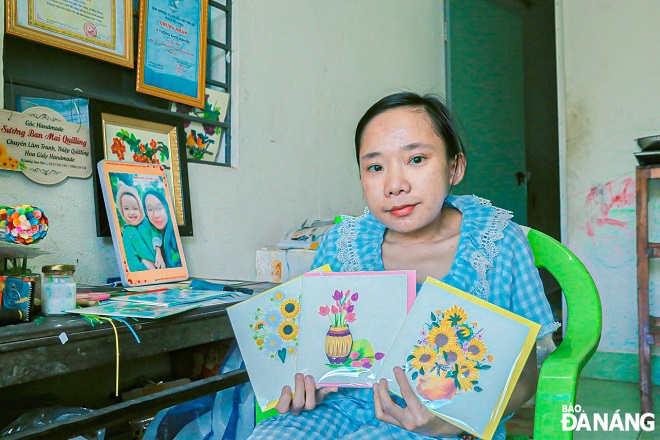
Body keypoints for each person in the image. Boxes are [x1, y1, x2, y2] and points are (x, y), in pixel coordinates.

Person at [249, 92, 560, 440]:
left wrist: (447, 425)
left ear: (454, 167)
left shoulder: (497, 243)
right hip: (342, 407)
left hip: (444, 420)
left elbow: (525, 377)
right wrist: (306, 387)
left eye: (416, 159)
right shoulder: (341, 245)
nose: (395, 185)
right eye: (375, 167)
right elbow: (315, 356)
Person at [116, 182, 166, 272]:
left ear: (140, 208)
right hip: (145, 273)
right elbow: (130, 255)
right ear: (121, 210)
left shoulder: (147, 222)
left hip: (161, 266)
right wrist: (143, 264)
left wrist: (158, 253)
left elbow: (156, 235)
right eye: (126, 208)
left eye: (135, 208)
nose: (131, 213)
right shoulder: (126, 232)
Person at [142, 188, 182, 268]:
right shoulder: (144, 234)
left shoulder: (176, 235)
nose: (156, 214)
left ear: (166, 208)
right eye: (150, 209)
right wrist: (143, 260)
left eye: (160, 208)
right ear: (146, 212)